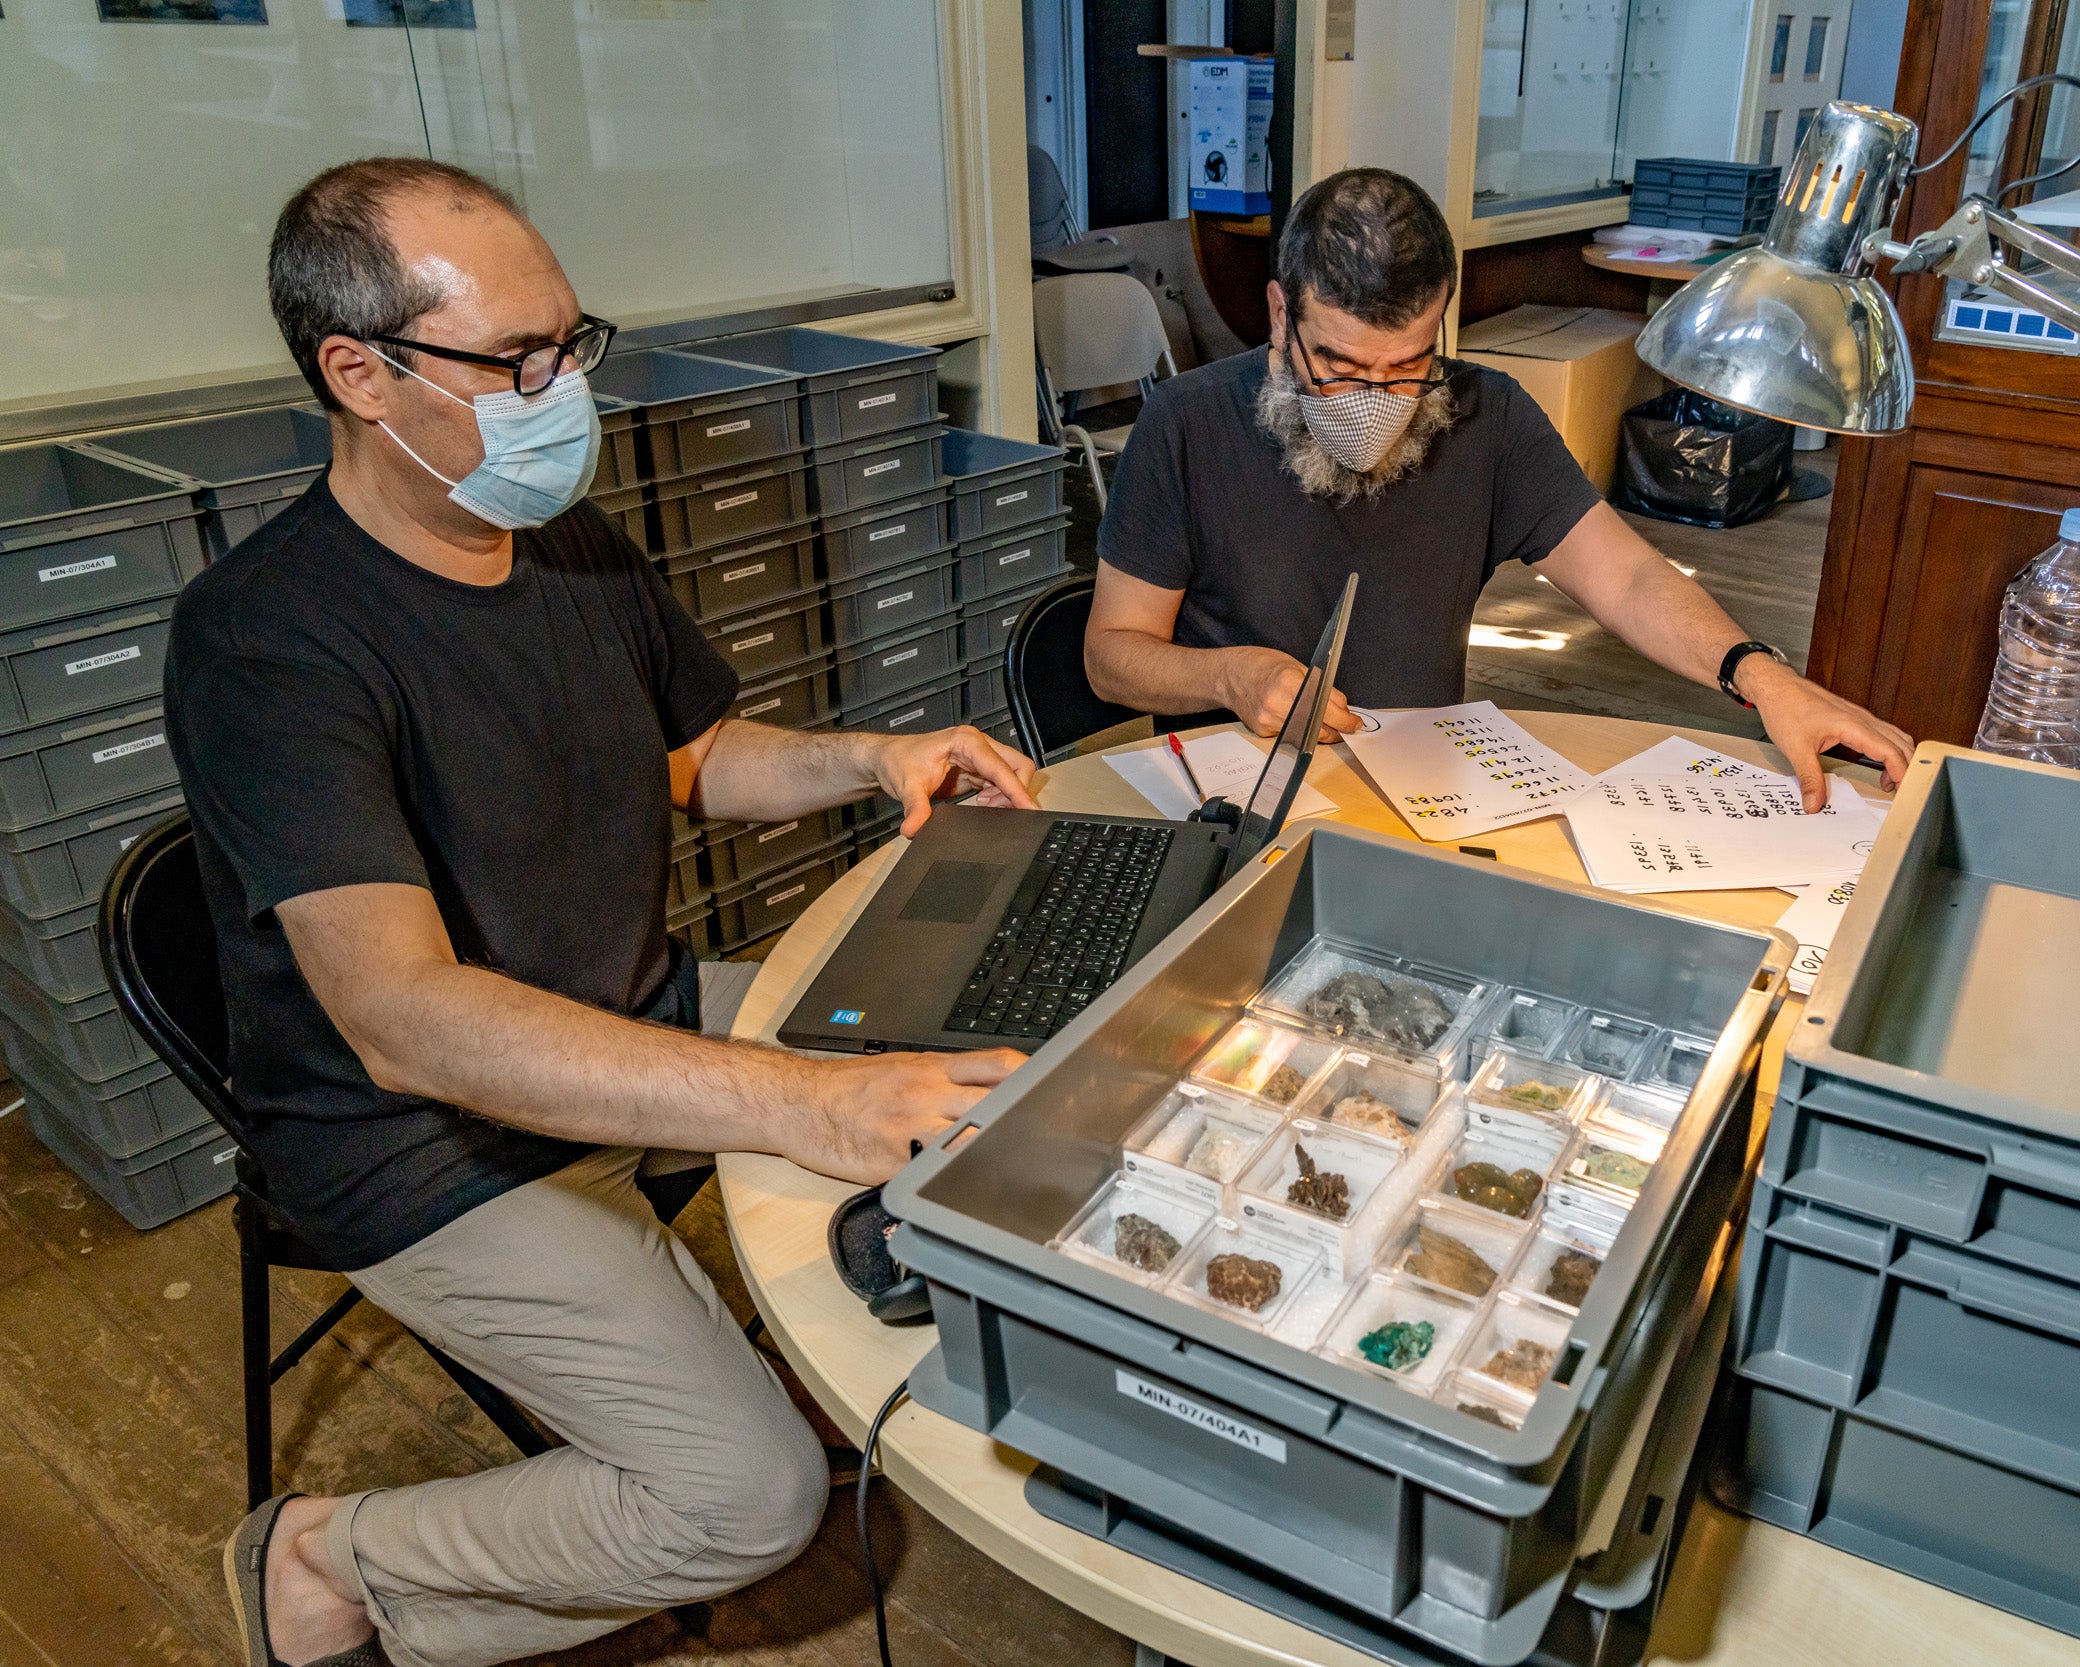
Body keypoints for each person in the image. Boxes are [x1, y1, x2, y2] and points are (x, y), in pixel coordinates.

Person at [171, 157, 1037, 1667]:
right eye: (514, 360)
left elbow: (692, 756)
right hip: (417, 1140)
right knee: (750, 1493)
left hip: (624, 1011)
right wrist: (797, 1103)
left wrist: (876, 756)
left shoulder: (564, 538)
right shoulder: (266, 642)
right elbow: (403, 1018)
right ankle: (332, 1551)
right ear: (359, 375)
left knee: (994, 1032)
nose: (558, 388)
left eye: (570, 343)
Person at [1084, 167, 1913, 810]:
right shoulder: (1185, 427)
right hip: (1234, 803)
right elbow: (1110, 656)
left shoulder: (1487, 417)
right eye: (1337, 368)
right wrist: (1226, 677)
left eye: (1406, 368)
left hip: (1418, 794)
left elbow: (1625, 576)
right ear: (1277, 313)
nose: (1374, 403)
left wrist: (1765, 678)